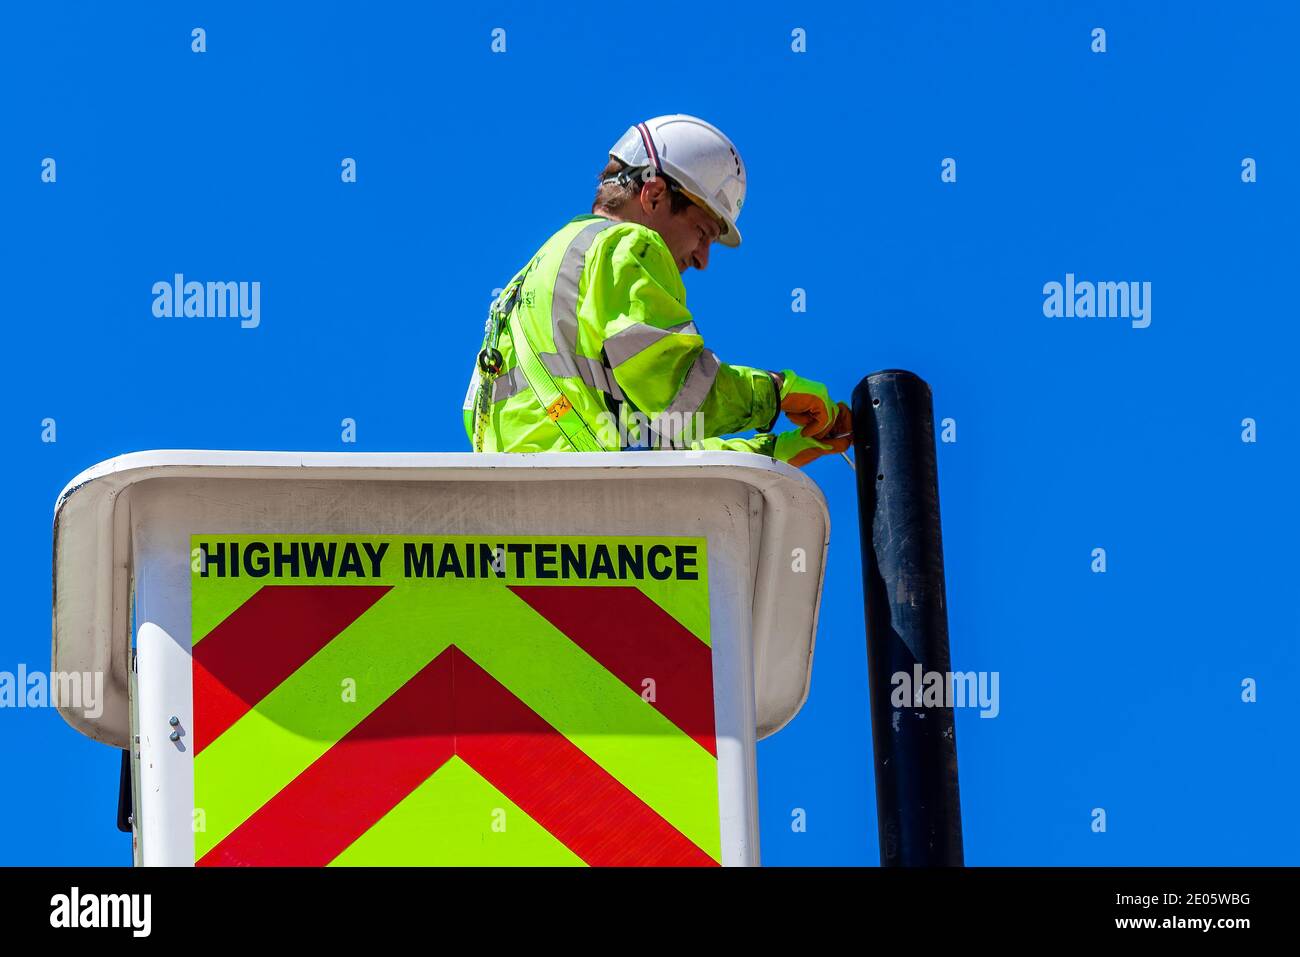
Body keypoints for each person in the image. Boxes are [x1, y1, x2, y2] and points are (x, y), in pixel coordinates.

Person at [464, 114, 851, 468]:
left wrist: (768, 455)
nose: (703, 259)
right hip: (583, 506)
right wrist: (775, 393)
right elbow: (676, 393)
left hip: (527, 510)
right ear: (654, 195)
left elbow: (646, 440)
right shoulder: (626, 245)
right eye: (703, 232)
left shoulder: (544, 268)